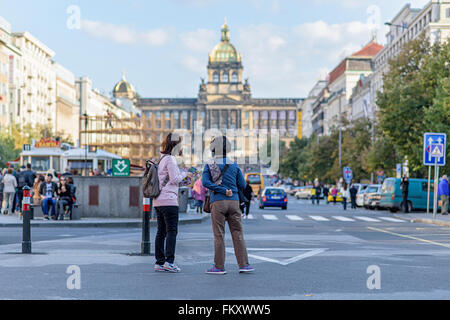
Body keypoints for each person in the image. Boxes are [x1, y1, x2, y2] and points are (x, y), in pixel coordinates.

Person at [202, 136, 254, 275]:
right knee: (238, 233)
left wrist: (222, 190)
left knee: (219, 235)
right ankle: (244, 265)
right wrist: (230, 189)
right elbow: (243, 185)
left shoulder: (210, 164)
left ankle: (219, 267)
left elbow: (205, 183)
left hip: (218, 202)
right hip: (234, 202)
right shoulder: (234, 164)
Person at [153, 133, 193, 273]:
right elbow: (175, 179)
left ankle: (159, 262)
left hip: (158, 200)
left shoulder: (162, 158)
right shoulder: (170, 159)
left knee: (161, 232)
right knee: (171, 231)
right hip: (169, 200)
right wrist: (185, 174)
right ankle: (169, 262)